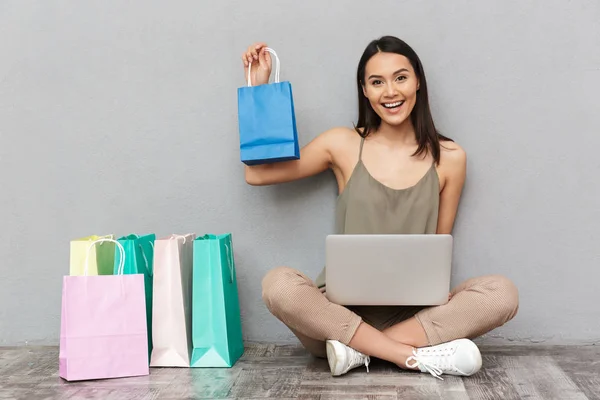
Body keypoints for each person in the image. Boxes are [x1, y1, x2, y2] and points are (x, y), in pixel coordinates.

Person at [240, 36, 519, 380]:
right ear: (365, 91)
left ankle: (361, 352)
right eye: (377, 82)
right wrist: (259, 88)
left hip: (414, 316)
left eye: (400, 77)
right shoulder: (342, 144)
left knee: (502, 293)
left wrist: (437, 292)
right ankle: (408, 357)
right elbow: (256, 173)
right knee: (278, 284)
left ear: (418, 81)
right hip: (335, 316)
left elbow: (439, 245)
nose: (390, 91)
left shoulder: (450, 157)